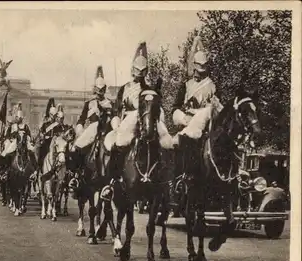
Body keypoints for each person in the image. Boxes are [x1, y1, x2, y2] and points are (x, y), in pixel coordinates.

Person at [100, 41, 173, 200]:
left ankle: (166, 183)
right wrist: (117, 122)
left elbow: (156, 106)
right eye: (137, 71)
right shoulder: (124, 88)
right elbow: (117, 109)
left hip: (145, 120)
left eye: (142, 72)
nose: (139, 75)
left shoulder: (149, 89)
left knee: (166, 142)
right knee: (117, 144)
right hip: (128, 122)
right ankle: (112, 182)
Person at [68, 65, 116, 191]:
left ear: (105, 89)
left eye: (102, 90)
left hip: (107, 130)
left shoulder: (111, 104)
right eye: (98, 90)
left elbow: (116, 118)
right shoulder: (89, 104)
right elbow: (81, 120)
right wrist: (80, 129)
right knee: (76, 148)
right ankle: (76, 175)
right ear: (95, 89)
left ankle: (117, 178)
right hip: (92, 130)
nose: (100, 92)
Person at [171, 35, 223, 146]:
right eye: (199, 70)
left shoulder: (213, 86)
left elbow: (218, 108)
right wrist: (183, 118)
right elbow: (175, 107)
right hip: (187, 122)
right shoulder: (186, 85)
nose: (201, 73)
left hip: (208, 124)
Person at [0, 102, 38, 171]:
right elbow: (8, 135)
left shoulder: (25, 126)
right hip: (15, 141)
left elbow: (29, 135)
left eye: (20, 118)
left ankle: (35, 170)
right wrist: (12, 136)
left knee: (31, 152)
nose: (19, 119)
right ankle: (4, 170)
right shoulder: (12, 126)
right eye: (18, 118)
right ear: (16, 118)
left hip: (24, 141)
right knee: (7, 153)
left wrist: (28, 139)